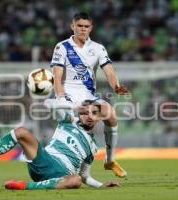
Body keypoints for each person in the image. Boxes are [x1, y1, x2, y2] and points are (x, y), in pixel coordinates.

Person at [0, 99, 119, 190]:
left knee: (75, 181)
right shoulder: (68, 121)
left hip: (62, 175)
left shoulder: (93, 147)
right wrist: (74, 107)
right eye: (85, 112)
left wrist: (101, 185)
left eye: (94, 113)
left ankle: (24, 186)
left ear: (99, 119)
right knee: (21, 132)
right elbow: (49, 103)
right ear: (80, 113)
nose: (89, 116)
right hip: (44, 159)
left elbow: (85, 176)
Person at [50, 12, 128, 177]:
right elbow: (56, 76)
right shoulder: (62, 46)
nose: (83, 29)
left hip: (89, 97)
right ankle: (64, 163)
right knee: (74, 128)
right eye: (79, 26)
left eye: (86, 26)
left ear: (91, 28)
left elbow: (109, 71)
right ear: (73, 26)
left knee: (110, 114)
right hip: (68, 95)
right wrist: (60, 98)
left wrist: (116, 86)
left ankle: (109, 160)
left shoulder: (98, 48)